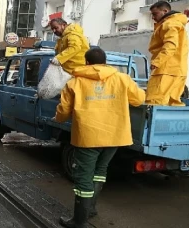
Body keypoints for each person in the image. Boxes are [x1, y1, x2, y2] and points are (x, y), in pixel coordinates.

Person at [53, 48, 145, 228]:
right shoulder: (122, 78)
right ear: (105, 62)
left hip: (88, 137)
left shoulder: (75, 82)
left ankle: (79, 221)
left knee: (83, 179)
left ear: (86, 63)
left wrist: (57, 118)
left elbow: (63, 112)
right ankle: (91, 208)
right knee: (100, 171)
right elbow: (139, 99)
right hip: (115, 136)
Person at [146, 1, 189, 106]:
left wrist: (157, 62)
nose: (153, 17)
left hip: (165, 70)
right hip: (178, 70)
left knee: (154, 102)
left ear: (165, 11)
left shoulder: (169, 24)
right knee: (173, 103)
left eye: (155, 14)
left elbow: (170, 46)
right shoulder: (177, 23)